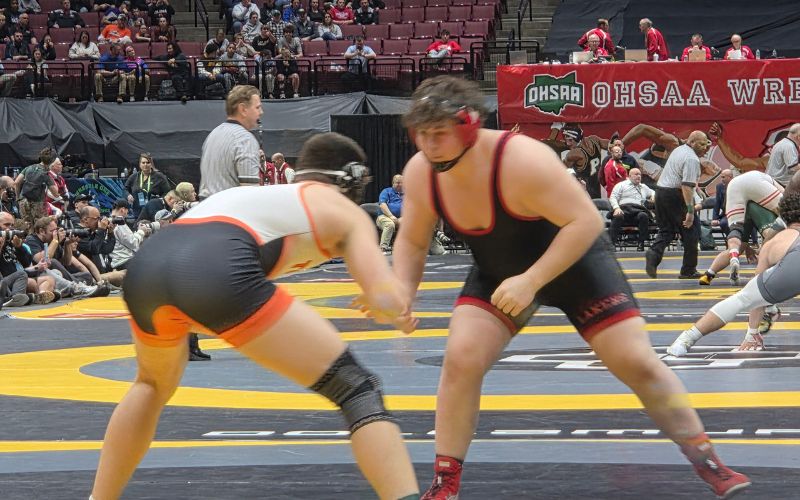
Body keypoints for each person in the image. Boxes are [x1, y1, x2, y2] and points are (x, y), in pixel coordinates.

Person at [392, 76, 749, 500]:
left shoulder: (519, 158)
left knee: (637, 362)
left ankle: (707, 460)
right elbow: (412, 240)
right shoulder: (422, 174)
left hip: (576, 263)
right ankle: (445, 482)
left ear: (468, 125)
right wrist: (403, 292)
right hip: (501, 271)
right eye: (421, 135)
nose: (429, 145)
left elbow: (586, 221)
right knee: (460, 360)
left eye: (438, 133)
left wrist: (531, 280)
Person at [90, 132, 420, 500]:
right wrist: (395, 308)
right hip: (217, 267)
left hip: (147, 269)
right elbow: (386, 295)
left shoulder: (261, 196)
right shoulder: (342, 209)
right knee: (356, 388)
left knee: (150, 386)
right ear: (351, 180)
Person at [668, 191, 800, 356]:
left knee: (741, 299)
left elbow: (756, 296)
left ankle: (685, 339)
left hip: (786, 271)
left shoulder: (773, 243)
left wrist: (752, 333)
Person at [644, 131, 712, 279]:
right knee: (692, 230)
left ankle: (654, 253)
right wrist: (690, 211)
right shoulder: (692, 159)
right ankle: (688, 270)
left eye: (706, 144)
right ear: (691, 142)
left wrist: (696, 188)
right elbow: (686, 186)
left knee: (667, 230)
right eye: (701, 144)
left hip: (661, 192)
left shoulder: (679, 150)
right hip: (675, 195)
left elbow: (682, 177)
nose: (705, 148)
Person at [699, 170, 783, 286]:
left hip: (737, 193)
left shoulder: (736, 183)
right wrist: (762, 246)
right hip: (757, 206)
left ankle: (709, 274)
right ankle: (762, 277)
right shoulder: (773, 184)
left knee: (737, 238)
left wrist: (747, 247)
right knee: (780, 229)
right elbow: (789, 206)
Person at [198, 85, 262, 199]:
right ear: (243, 109)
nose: (261, 112)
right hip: (227, 208)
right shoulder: (245, 139)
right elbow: (250, 194)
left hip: (206, 206)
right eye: (257, 107)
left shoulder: (213, 134)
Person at [608, 167, 654, 251]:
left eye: (640, 174)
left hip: (637, 212)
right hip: (624, 210)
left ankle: (641, 243)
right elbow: (613, 197)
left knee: (643, 215)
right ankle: (612, 244)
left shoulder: (643, 187)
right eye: (636, 174)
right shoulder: (621, 185)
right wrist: (616, 208)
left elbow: (653, 192)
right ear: (629, 176)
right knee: (618, 216)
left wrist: (653, 196)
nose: (639, 176)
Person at [766, 123, 799, 187]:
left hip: (773, 181)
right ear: (798, 136)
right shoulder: (789, 146)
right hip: (779, 183)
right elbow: (793, 168)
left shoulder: (782, 143)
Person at [376, 174, 402, 253]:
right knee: (390, 224)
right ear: (393, 183)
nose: (400, 184)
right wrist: (391, 216)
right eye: (397, 182)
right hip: (384, 216)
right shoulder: (386, 191)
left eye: (402, 182)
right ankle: (383, 248)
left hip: (400, 218)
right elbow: (382, 205)